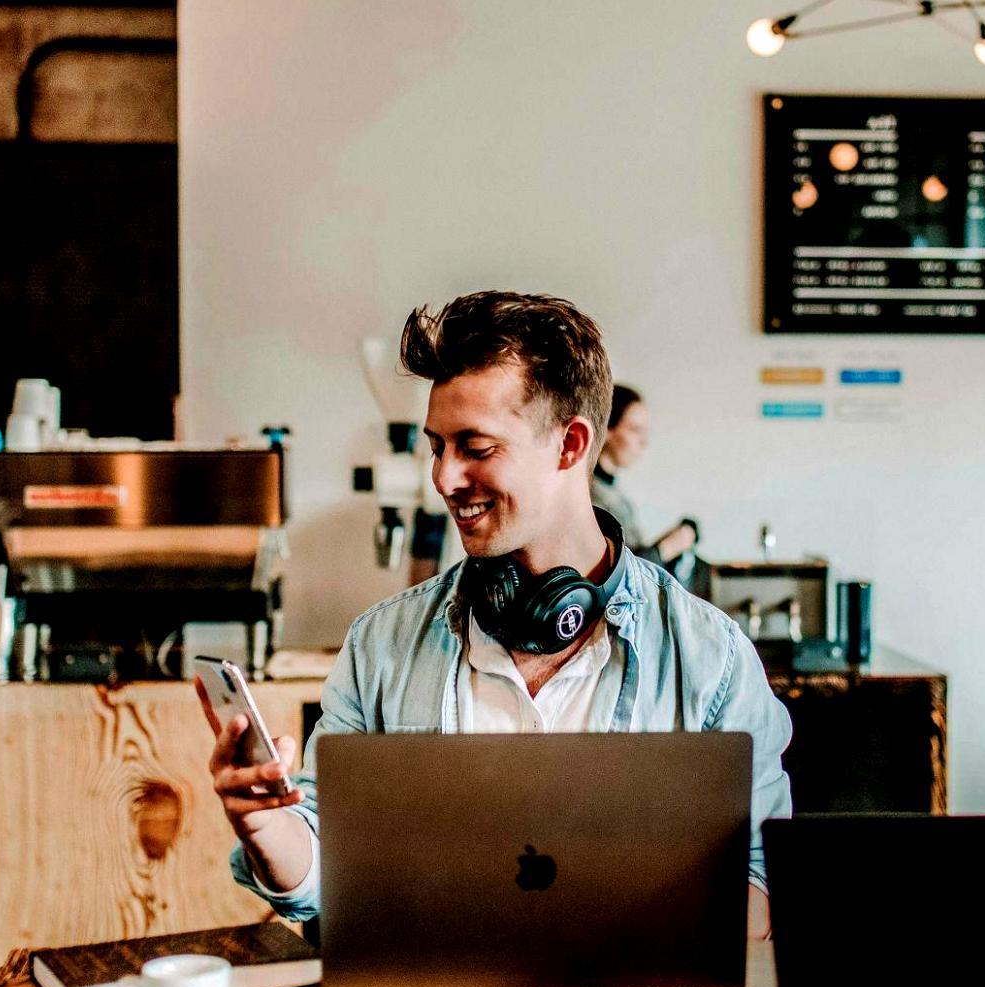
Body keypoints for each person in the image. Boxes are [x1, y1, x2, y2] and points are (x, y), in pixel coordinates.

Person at [202, 291, 792, 938]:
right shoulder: (382, 643)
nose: (445, 479)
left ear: (569, 446)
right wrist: (265, 826)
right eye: (437, 447)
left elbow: (762, 887)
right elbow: (323, 873)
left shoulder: (711, 658)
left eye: (475, 448)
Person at [591, 384, 698, 571]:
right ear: (607, 430)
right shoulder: (590, 495)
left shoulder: (612, 491)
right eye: (634, 430)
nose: (643, 442)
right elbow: (618, 575)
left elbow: (633, 555)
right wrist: (668, 547)